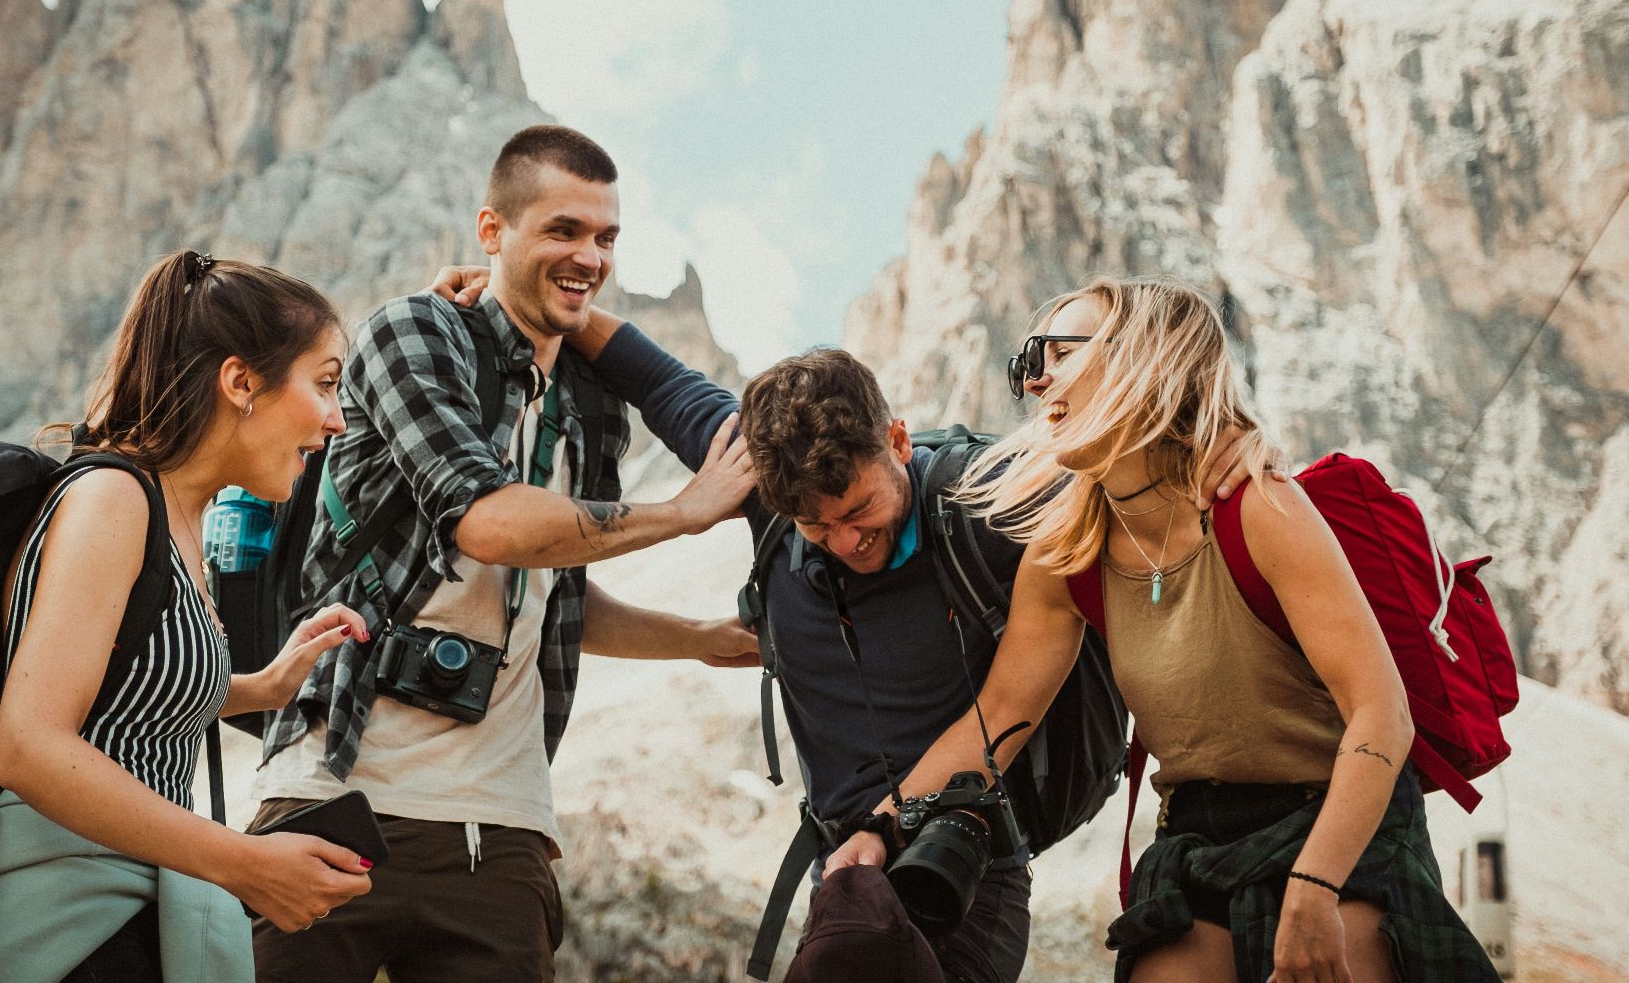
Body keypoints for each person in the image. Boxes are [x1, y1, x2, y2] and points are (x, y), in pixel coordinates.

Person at [424, 268, 1260, 983]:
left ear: (897, 439)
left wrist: (1229, 448)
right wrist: (528, 295)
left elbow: (1138, 459)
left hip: (964, 865)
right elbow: (657, 379)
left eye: (861, 510)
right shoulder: (766, 492)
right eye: (817, 529)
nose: (848, 542)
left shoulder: (987, 504)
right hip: (845, 868)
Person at [828, 275, 1498, 982]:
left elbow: (1382, 715)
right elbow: (998, 717)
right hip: (1196, 835)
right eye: (1030, 362)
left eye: (1058, 353)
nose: (1035, 381)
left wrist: (1317, 886)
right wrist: (881, 824)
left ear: (1143, 357)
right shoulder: (1066, 557)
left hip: (1336, 820)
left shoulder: (1257, 507)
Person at [248, 125, 759, 983]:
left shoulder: (592, 408)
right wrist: (683, 513)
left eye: (605, 238)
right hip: (332, 798)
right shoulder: (412, 334)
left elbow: (551, 591)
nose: (589, 257)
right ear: (492, 231)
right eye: (562, 230)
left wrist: (698, 638)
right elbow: (485, 522)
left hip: (503, 832)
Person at [0, 251, 376, 983]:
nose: (335, 419)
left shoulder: (177, 517)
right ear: (240, 382)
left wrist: (262, 686)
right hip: (59, 927)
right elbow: (30, 745)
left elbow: (118, 692)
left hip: (123, 914)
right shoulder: (114, 499)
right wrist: (246, 863)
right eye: (326, 384)